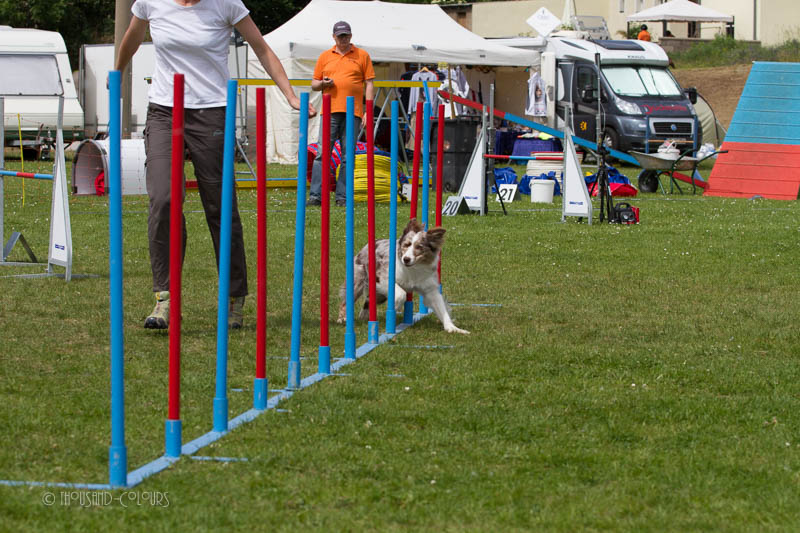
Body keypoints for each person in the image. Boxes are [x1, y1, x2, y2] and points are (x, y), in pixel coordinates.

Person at [114, 0, 314, 330]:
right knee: (163, 199)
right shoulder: (151, 2)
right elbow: (133, 37)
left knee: (220, 206)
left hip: (211, 111)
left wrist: (290, 95)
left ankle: (235, 296)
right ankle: (165, 298)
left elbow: (262, 48)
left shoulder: (225, 4)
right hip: (164, 110)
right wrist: (117, 72)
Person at [307, 20, 375, 207]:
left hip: (354, 112)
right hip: (329, 110)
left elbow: (369, 83)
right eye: (340, 36)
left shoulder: (362, 55)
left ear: (351, 36)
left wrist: (368, 111)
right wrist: (323, 83)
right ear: (333, 37)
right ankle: (316, 196)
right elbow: (314, 84)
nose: (343, 39)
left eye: (346, 35)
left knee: (348, 156)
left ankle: (342, 197)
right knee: (322, 154)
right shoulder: (324, 56)